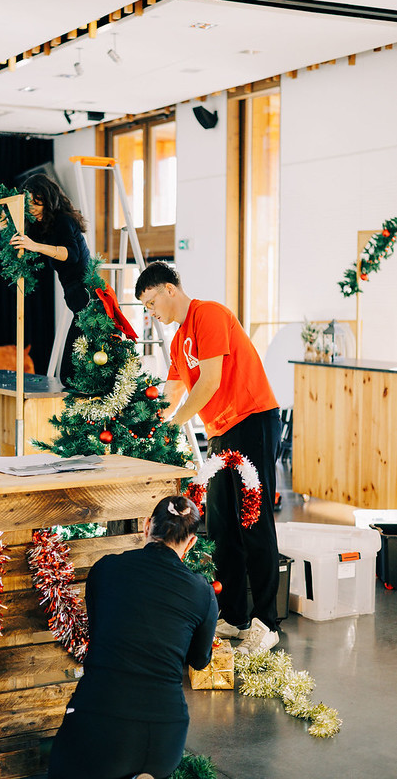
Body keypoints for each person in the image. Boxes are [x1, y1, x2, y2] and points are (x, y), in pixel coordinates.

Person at [135, 262, 281, 655]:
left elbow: (211, 380)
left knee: (254, 521)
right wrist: (151, 421)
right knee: (220, 525)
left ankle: (267, 622)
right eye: (146, 308)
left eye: (152, 303)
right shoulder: (179, 340)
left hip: (252, 421)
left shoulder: (209, 314)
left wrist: (177, 420)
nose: (152, 314)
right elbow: (172, 390)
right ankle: (235, 615)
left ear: (169, 289)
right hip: (220, 433)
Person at [48, 495, 217, 779]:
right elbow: (200, 661)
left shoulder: (105, 570)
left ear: (146, 526)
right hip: (164, 738)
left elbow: (101, 630)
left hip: (98, 725)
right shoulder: (202, 592)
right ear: (191, 544)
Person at [9, 173, 90, 385]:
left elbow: (71, 254)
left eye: (35, 202)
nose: (31, 208)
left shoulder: (63, 220)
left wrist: (34, 245)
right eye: (27, 203)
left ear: (47, 198)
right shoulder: (44, 226)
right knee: (73, 373)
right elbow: (23, 248)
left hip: (87, 297)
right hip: (76, 298)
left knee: (71, 374)